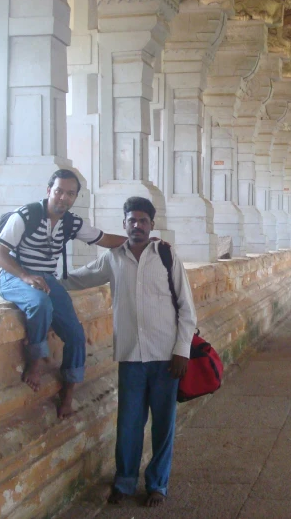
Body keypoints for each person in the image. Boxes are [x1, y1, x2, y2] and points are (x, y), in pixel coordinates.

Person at [60, 196, 196, 508]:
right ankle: (124, 482)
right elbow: (78, 278)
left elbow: (186, 307)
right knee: (129, 423)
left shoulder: (165, 254)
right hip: (131, 356)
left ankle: (157, 483)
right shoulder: (113, 258)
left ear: (151, 224)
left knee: (164, 424)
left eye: (143, 221)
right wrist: (40, 280)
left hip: (166, 356)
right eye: (132, 221)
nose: (137, 226)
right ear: (124, 224)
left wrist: (182, 350)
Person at [0, 169, 128, 418]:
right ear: (49, 191)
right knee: (40, 303)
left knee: (76, 334)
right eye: (58, 191)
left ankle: (68, 395)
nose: (63, 198)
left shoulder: (71, 223)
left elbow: (105, 239)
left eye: (70, 193)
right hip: (13, 276)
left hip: (45, 278)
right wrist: (24, 276)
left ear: (75, 197)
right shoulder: (26, 215)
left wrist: (144, 242)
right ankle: (35, 362)